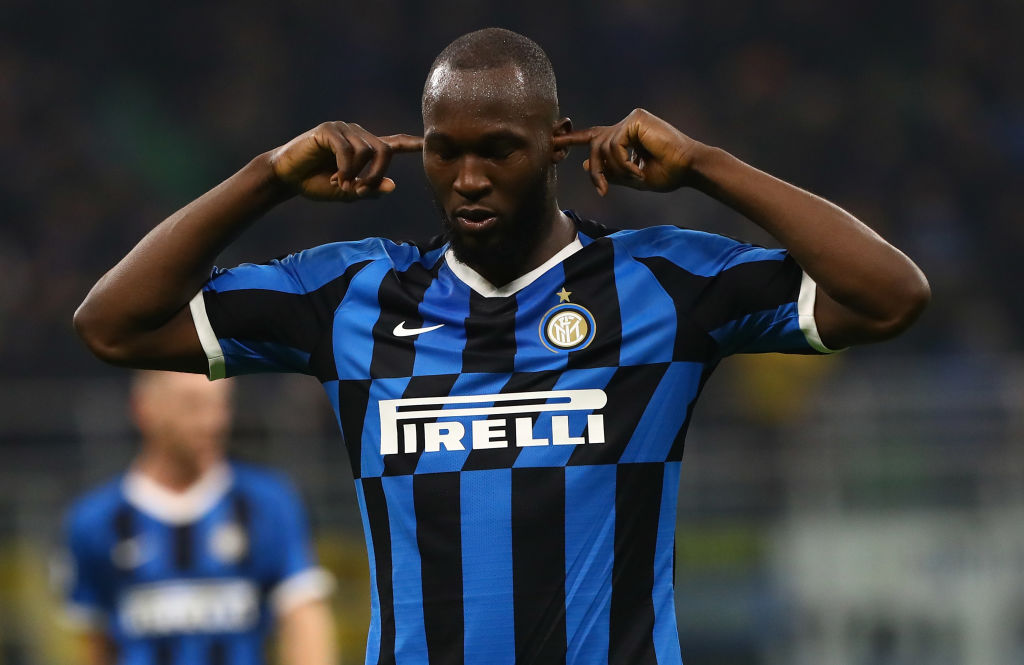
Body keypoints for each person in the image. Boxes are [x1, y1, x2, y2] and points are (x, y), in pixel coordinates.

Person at [73, 27, 929, 665]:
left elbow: (890, 296)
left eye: (498, 151)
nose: (469, 178)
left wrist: (707, 165)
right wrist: (265, 176)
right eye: (444, 153)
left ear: (558, 140)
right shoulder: (351, 298)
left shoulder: (662, 284)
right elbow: (115, 322)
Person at [60, 371, 336, 665]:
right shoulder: (94, 520)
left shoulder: (269, 503)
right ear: (144, 408)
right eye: (192, 405)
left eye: (221, 405)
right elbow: (95, 646)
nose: (212, 422)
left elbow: (304, 620)